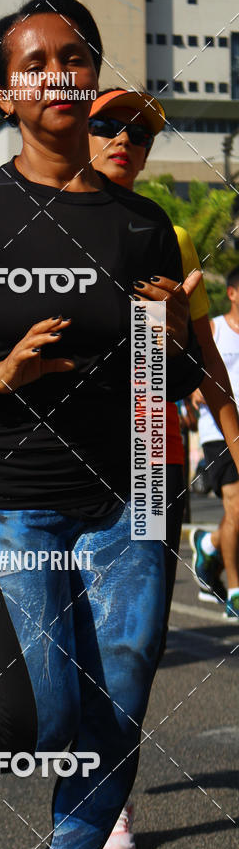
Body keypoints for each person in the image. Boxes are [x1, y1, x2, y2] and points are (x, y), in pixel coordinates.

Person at [0, 0, 204, 849]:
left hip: (130, 495)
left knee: (118, 709)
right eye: (37, 63)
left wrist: (170, 341)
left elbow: (164, 383)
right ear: (1, 92)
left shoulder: (145, 226)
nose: (60, 73)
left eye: (75, 56)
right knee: (41, 715)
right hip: (9, 497)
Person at [87, 89, 239, 849]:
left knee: (131, 642)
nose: (125, 139)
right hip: (47, 464)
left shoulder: (166, 233)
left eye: (141, 130)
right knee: (56, 653)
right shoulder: (28, 223)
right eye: (107, 125)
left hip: (151, 453)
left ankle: (110, 801)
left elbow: (203, 356)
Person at [190, 265, 239, 624]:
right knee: (237, 507)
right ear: (233, 293)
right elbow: (195, 374)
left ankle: (208, 546)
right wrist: (197, 392)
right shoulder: (215, 328)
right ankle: (236, 592)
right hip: (217, 430)